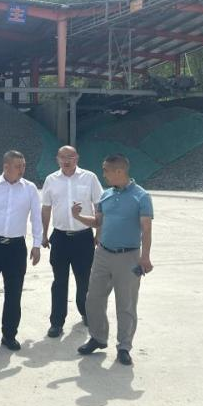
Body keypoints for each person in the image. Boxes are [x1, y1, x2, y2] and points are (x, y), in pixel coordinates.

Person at [72, 154, 153, 366]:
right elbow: (97, 222)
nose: (104, 174)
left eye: (106, 170)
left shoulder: (141, 196)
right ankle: (98, 338)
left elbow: (146, 229)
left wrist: (145, 256)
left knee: (126, 304)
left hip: (129, 257)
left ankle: (124, 347)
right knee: (93, 299)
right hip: (102, 254)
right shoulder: (105, 195)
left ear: (119, 171)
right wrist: (78, 217)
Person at [0, 150, 42, 351]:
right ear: (6, 167)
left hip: (16, 248)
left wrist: (36, 244)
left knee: (14, 293)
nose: (22, 169)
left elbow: (36, 217)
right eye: (18, 166)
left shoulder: (30, 189)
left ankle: (9, 335)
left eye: (23, 165)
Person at [40, 145, 103, 338]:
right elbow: (46, 208)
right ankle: (56, 322)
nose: (66, 160)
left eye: (70, 157)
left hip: (83, 237)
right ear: (57, 159)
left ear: (77, 158)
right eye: (63, 157)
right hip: (60, 237)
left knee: (84, 280)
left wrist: (99, 233)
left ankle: (86, 312)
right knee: (59, 281)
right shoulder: (51, 180)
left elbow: (99, 206)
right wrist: (44, 234)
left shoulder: (89, 177)